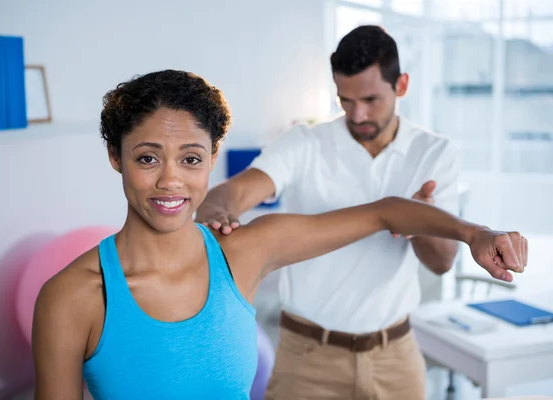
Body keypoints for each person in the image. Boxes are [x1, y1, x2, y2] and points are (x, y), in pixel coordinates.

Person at [31, 69, 527, 400]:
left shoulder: (242, 254)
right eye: (146, 158)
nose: (170, 180)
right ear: (116, 158)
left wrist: (475, 233)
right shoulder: (71, 297)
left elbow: (383, 213)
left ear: (209, 161)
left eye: (191, 159)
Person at [194, 25, 511, 399]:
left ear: (402, 85)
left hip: (395, 356)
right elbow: (235, 192)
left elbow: (441, 263)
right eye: (345, 99)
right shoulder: (305, 144)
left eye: (371, 99)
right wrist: (216, 211)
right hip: (307, 356)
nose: (357, 114)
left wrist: (420, 221)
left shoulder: (434, 153)